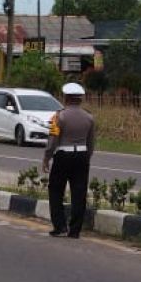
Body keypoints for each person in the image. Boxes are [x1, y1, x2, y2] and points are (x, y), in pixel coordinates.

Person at [43, 82, 95, 238]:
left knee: (56, 190)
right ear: (80, 99)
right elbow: (91, 142)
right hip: (82, 156)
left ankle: (60, 226)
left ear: (66, 98)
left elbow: (53, 140)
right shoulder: (89, 117)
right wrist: (87, 157)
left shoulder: (59, 117)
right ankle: (75, 230)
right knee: (79, 193)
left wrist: (47, 157)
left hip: (63, 156)